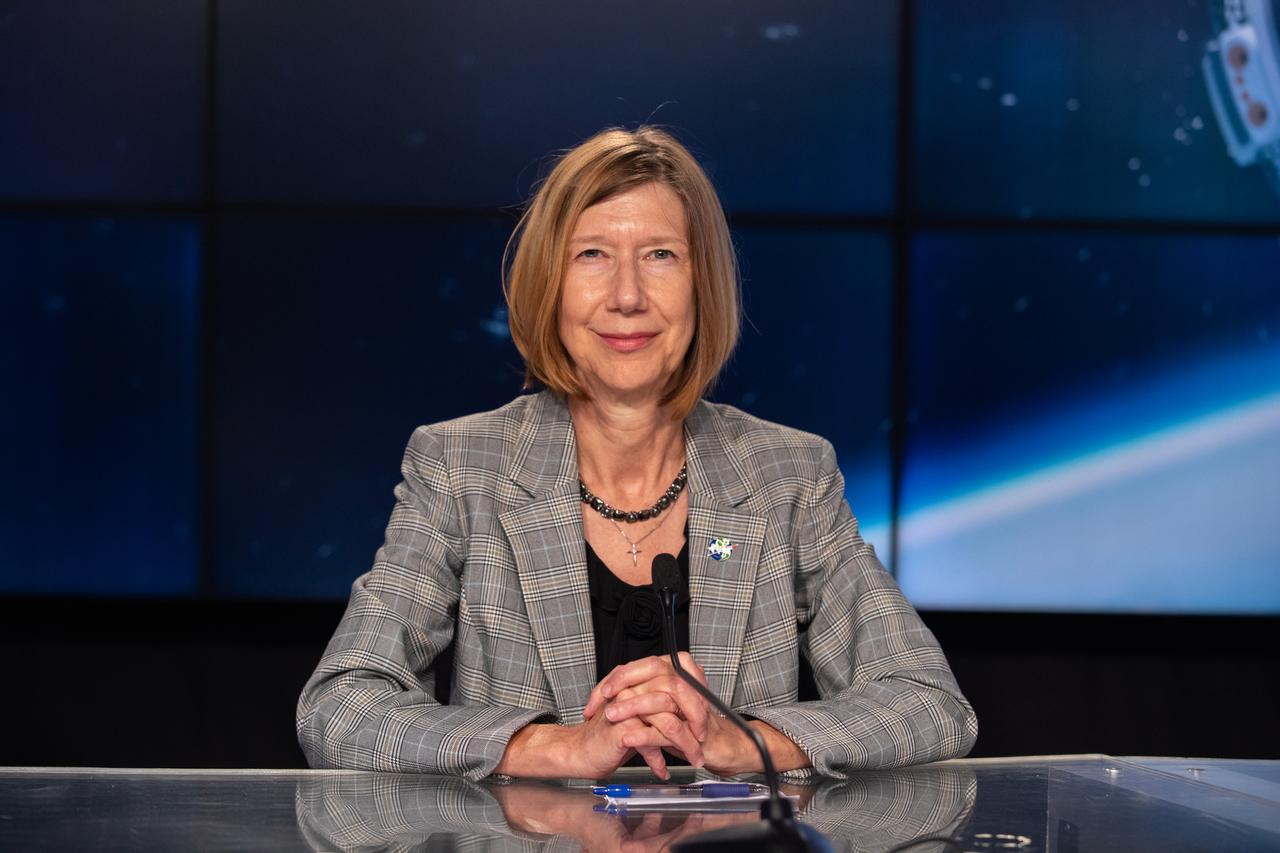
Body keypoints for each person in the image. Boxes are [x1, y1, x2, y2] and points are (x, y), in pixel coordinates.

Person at [296, 126, 977, 782]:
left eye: (660, 255)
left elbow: (928, 701)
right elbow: (341, 706)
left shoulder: (787, 475)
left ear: (700, 283)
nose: (627, 296)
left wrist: (744, 739)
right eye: (591, 255)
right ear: (549, 286)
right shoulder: (457, 466)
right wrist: (554, 747)